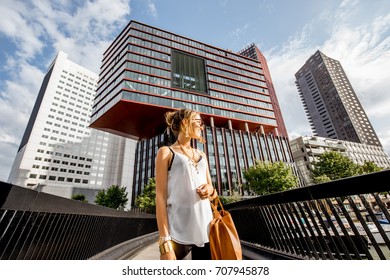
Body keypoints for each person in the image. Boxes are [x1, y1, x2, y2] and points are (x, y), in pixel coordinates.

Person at [155, 108, 218, 260]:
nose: (201, 126)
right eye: (198, 122)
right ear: (185, 123)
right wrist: (165, 242)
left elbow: (213, 193)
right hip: (178, 234)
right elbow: (160, 198)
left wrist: (210, 189)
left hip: (207, 231)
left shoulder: (201, 154)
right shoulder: (166, 152)